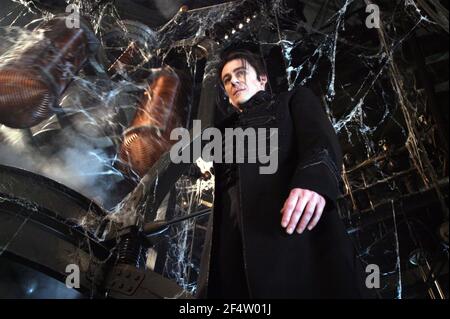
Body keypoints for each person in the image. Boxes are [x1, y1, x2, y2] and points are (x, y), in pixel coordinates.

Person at [196, 49, 370, 299]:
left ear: (262, 79)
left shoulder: (292, 101)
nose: (233, 81)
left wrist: (312, 183)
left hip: (290, 230)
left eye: (241, 73)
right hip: (232, 246)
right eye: (226, 79)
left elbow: (320, 141)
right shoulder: (221, 133)